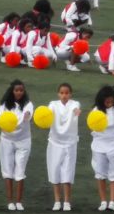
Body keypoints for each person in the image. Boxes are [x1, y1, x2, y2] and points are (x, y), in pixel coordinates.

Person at [0, 80, 33, 211]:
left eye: (21, 90)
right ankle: (10, 201)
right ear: (12, 91)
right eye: (16, 90)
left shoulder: (28, 104)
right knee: (7, 171)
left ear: (24, 91)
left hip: (23, 141)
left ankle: (19, 201)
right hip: (6, 140)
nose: (19, 92)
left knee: (20, 170)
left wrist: (26, 115)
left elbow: (27, 114)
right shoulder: (5, 105)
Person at [47, 83, 81, 212]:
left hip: (70, 143)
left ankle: (66, 201)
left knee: (68, 172)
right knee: (54, 171)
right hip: (54, 142)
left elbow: (76, 109)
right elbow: (48, 112)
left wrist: (76, 111)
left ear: (70, 94)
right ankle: (57, 201)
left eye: (67, 93)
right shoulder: (53, 104)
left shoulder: (74, 104)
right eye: (62, 93)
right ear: (58, 94)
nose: (64, 95)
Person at [90, 86, 114, 212]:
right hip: (99, 145)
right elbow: (91, 123)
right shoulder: (96, 110)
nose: (110, 103)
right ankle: (103, 201)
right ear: (101, 100)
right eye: (107, 101)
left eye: (112, 100)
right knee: (100, 174)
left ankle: (112, 202)